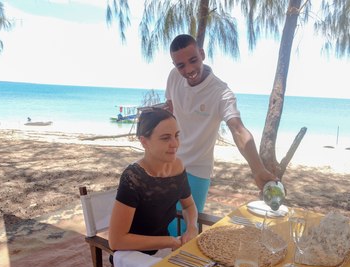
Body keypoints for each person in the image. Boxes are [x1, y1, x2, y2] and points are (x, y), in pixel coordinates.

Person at [165, 34, 276, 235]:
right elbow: (171, 111)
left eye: (193, 60)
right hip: (169, 164)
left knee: (185, 233)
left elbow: (238, 130)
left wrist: (258, 169)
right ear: (174, 65)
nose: (188, 69)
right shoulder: (173, 77)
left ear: (202, 54)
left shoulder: (221, 92)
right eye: (181, 65)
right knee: (161, 227)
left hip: (197, 172)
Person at [108, 108, 198, 254]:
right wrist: (168, 241)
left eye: (177, 135)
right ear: (144, 142)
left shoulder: (178, 167)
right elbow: (116, 240)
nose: (175, 144)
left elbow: (188, 206)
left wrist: (192, 227)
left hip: (163, 250)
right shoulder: (133, 178)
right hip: (132, 255)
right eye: (165, 138)